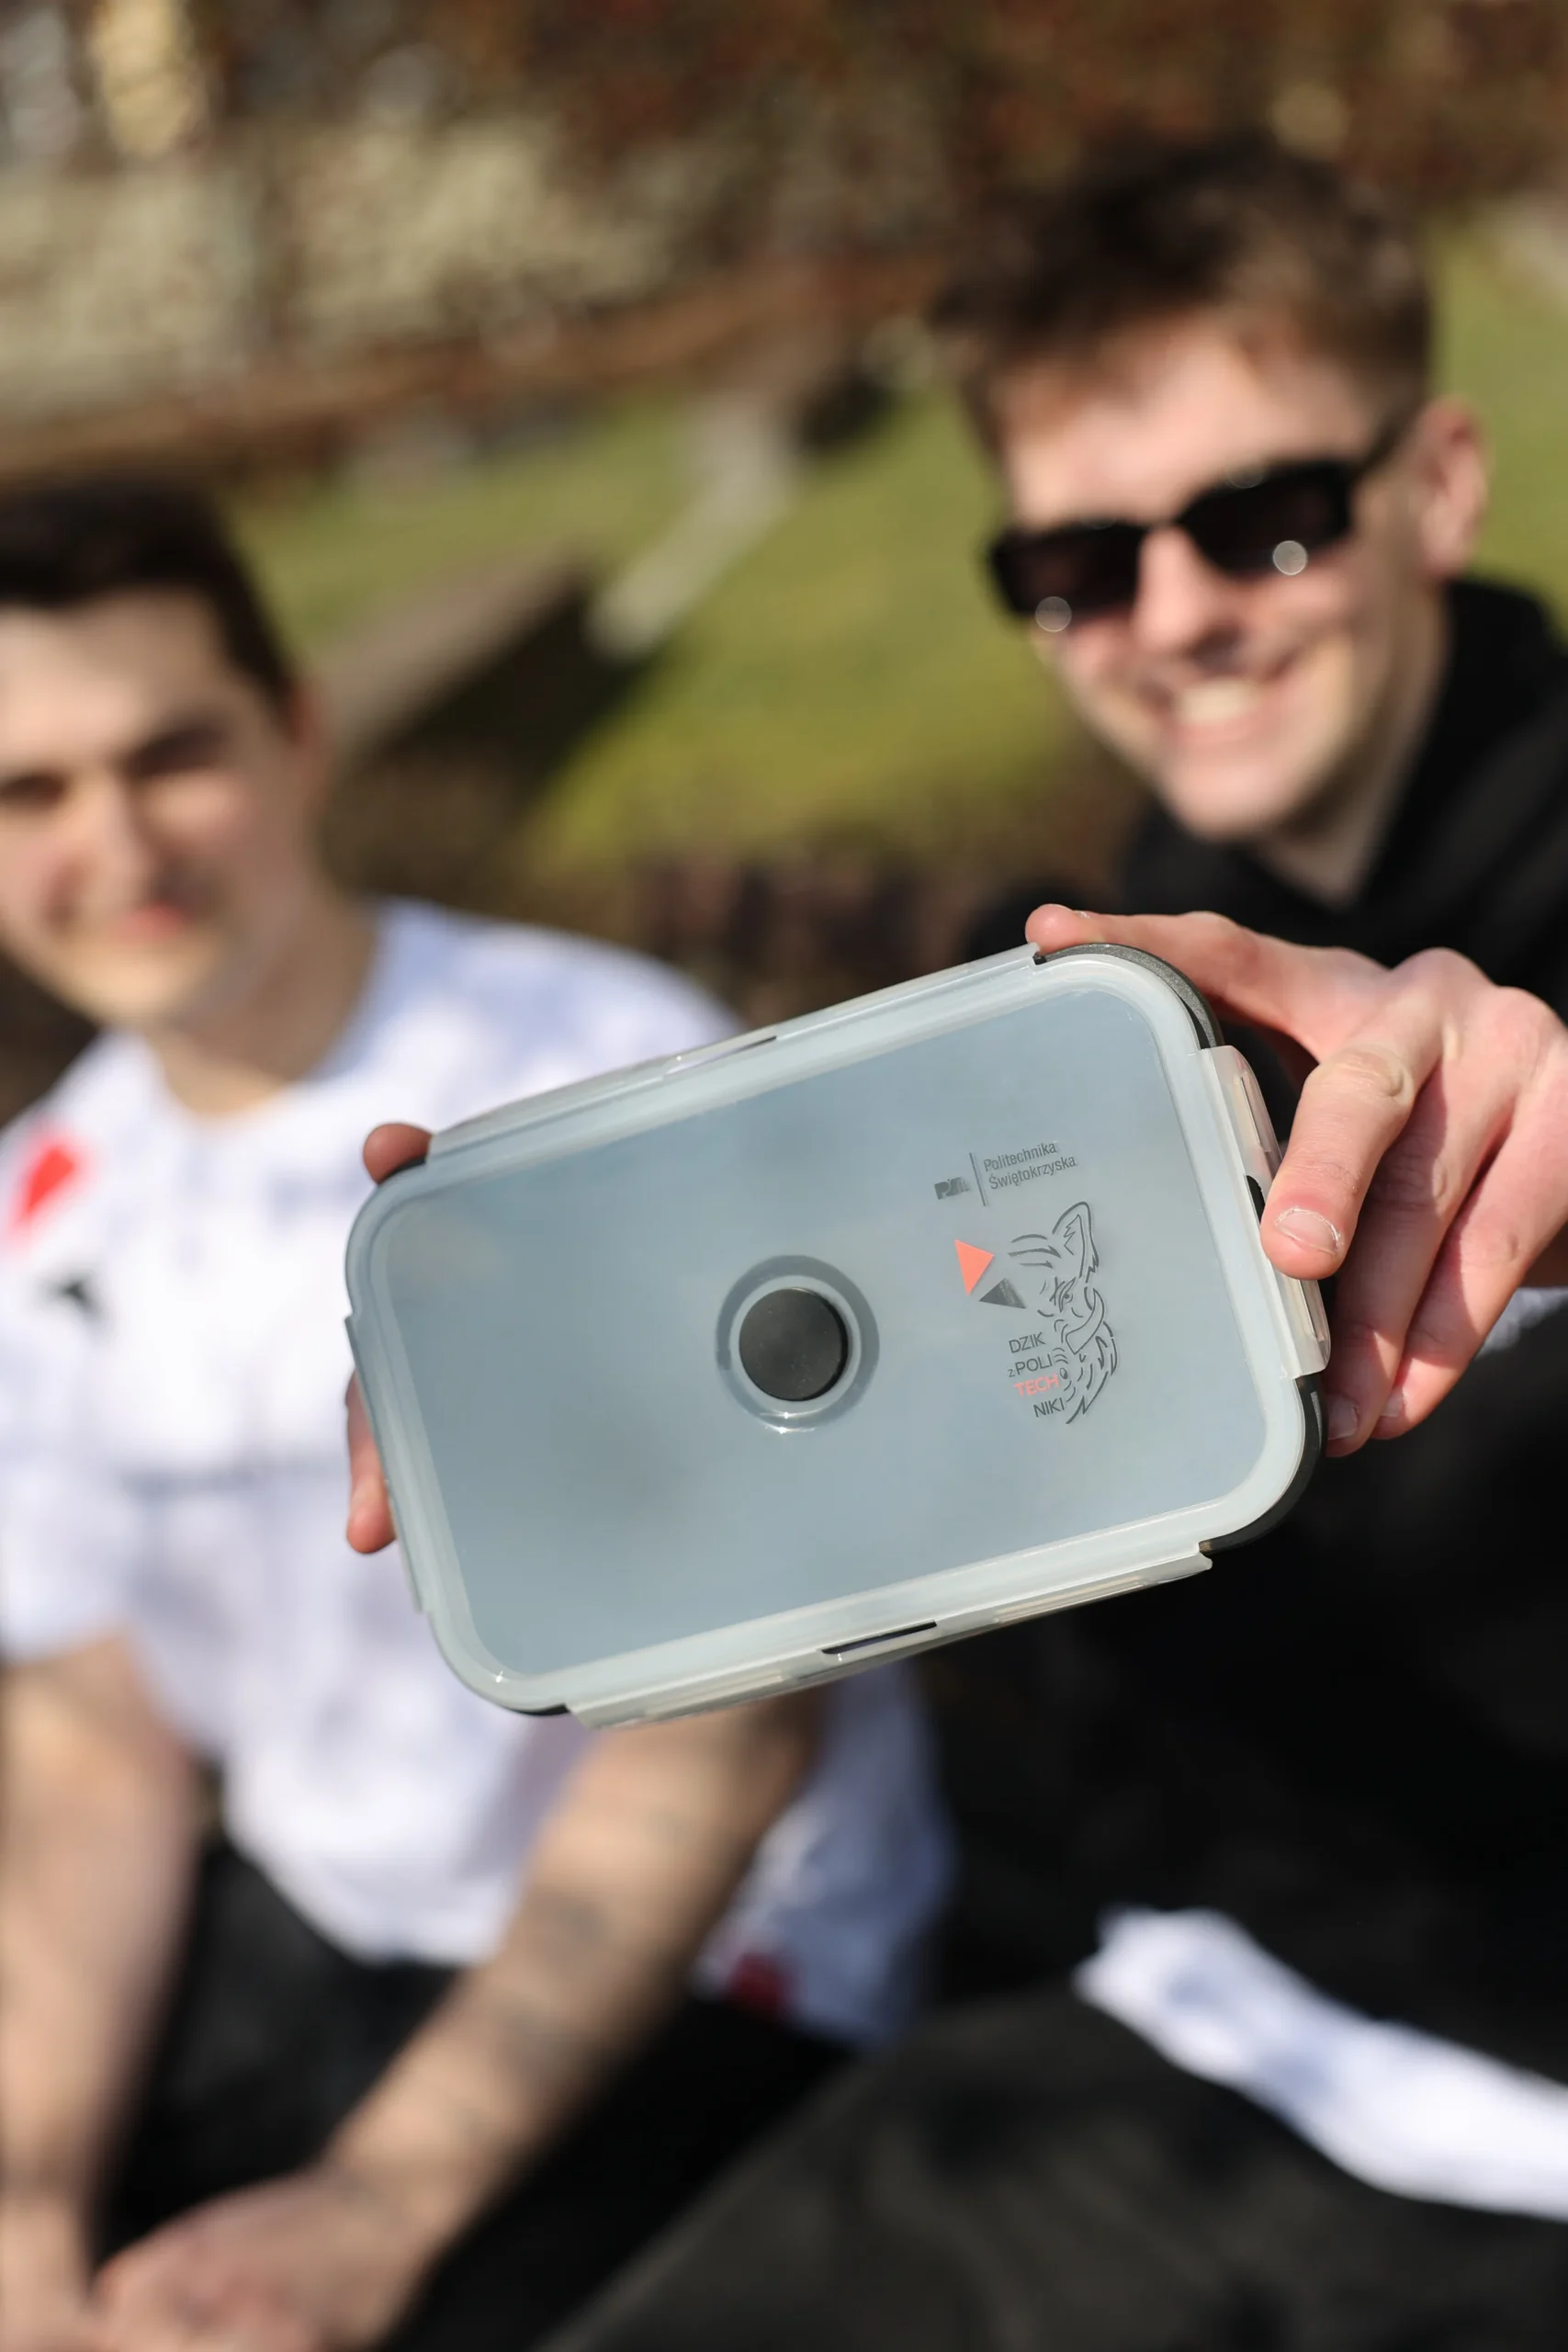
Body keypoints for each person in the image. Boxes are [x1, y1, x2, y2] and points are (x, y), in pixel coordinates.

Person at [512, 137, 1568, 2351]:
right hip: (1210, 2027)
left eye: (1263, 518)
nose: (1174, 615)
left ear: (1439, 484)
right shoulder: (1068, 992)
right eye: (1079, 562)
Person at [0, 476, 953, 2352]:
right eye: (28, 791)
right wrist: (26, 2213)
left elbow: (725, 1727)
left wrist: (376, 2205)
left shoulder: (593, 1082)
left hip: (707, 1975)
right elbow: (98, 1735)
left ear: (296, 733)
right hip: (318, 1921)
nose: (113, 844)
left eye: (170, 754)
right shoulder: (40, 1205)